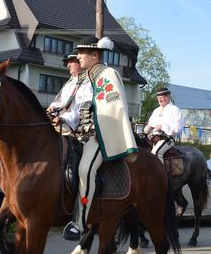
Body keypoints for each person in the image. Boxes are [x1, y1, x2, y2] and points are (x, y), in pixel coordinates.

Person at [74, 35, 138, 233]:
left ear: (95, 54)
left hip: (97, 135)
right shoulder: (83, 78)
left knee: (86, 169)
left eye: (81, 53)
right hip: (76, 133)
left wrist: (96, 129)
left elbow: (113, 107)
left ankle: (80, 221)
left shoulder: (108, 74)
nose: (78, 57)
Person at [46, 49, 88, 240]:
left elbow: (80, 110)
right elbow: (61, 103)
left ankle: (78, 215)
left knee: (77, 171)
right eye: (69, 62)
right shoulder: (69, 83)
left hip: (79, 132)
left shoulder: (87, 83)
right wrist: (53, 109)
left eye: (71, 61)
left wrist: (62, 118)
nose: (68, 65)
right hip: (62, 128)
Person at [143, 87, 183, 163]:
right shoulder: (156, 110)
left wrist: (162, 127)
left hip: (168, 138)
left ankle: (160, 174)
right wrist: (148, 128)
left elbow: (178, 128)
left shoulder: (175, 110)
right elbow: (150, 124)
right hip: (153, 138)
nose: (160, 100)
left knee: (156, 153)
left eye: (162, 98)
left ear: (168, 97)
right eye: (158, 98)